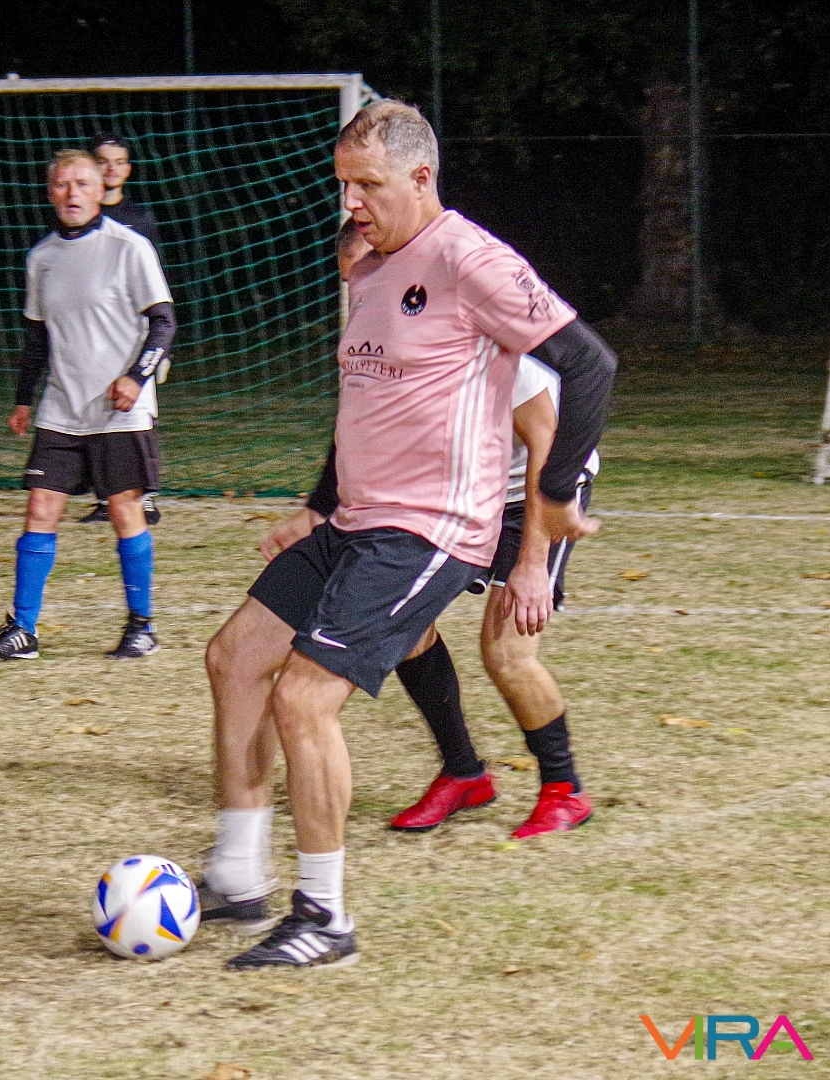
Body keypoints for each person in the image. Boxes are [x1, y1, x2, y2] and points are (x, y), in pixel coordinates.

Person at [203, 101, 615, 971]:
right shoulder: (372, 269)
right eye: (343, 184)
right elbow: (365, 403)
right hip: (355, 521)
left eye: (367, 184)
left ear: (421, 177)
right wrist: (318, 504)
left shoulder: (470, 260)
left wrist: (553, 499)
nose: (350, 202)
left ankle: (325, 918)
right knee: (234, 657)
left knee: (303, 699)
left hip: (429, 531)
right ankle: (238, 875)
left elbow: (588, 364)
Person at [389, 350, 601, 838]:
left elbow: (547, 448)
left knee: (506, 653)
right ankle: (464, 774)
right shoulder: (393, 342)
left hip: (535, 493)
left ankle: (564, 789)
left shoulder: (498, 355)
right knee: (402, 623)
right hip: (459, 493)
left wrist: (531, 563)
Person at [0, 149, 175, 661]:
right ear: (50, 193)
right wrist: (23, 399)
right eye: (62, 185)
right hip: (62, 407)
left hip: (120, 410)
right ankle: (23, 629)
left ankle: (141, 625)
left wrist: (136, 377)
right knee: (40, 507)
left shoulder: (128, 247)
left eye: (82, 184)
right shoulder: (42, 257)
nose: (72, 193)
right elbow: (37, 338)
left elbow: (163, 323)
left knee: (124, 510)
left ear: (100, 190)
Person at [80, 133, 163, 527]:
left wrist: (161, 344)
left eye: (119, 161)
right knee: (94, 410)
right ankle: (105, 496)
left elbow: (156, 284)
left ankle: (145, 498)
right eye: (103, 161)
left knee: (139, 413)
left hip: (135, 335)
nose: (111, 168)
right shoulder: (77, 218)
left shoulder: (141, 220)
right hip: (90, 336)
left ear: (128, 169)